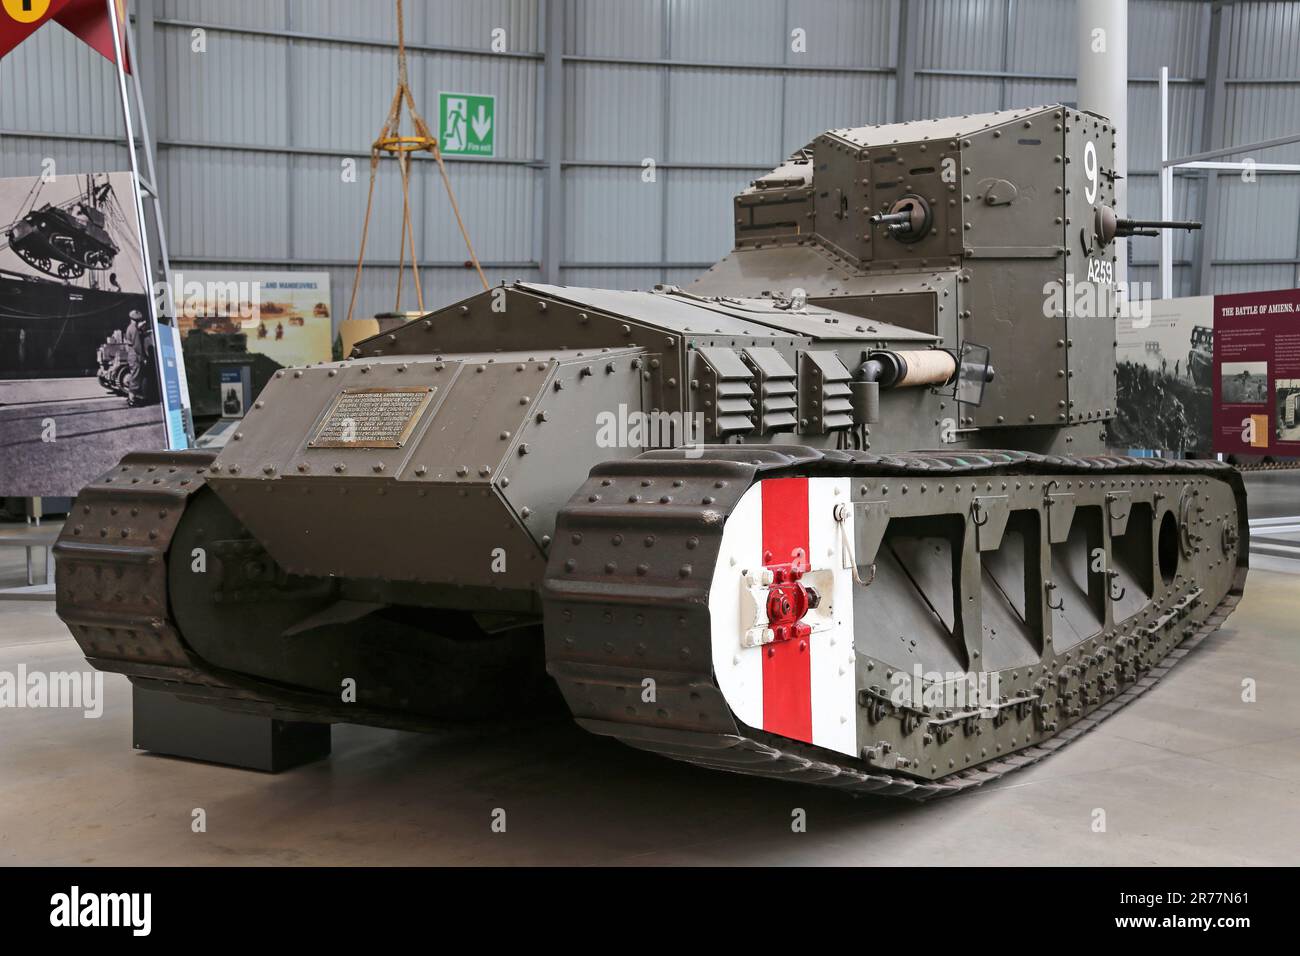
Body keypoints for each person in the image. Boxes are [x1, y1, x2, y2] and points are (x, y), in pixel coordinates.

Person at [122, 308, 156, 407]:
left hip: (132, 354)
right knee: (135, 378)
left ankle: (131, 398)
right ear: (137, 320)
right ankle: (131, 400)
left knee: (135, 376)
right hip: (136, 356)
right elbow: (137, 346)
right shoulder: (134, 329)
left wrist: (141, 330)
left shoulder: (130, 327)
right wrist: (143, 358)